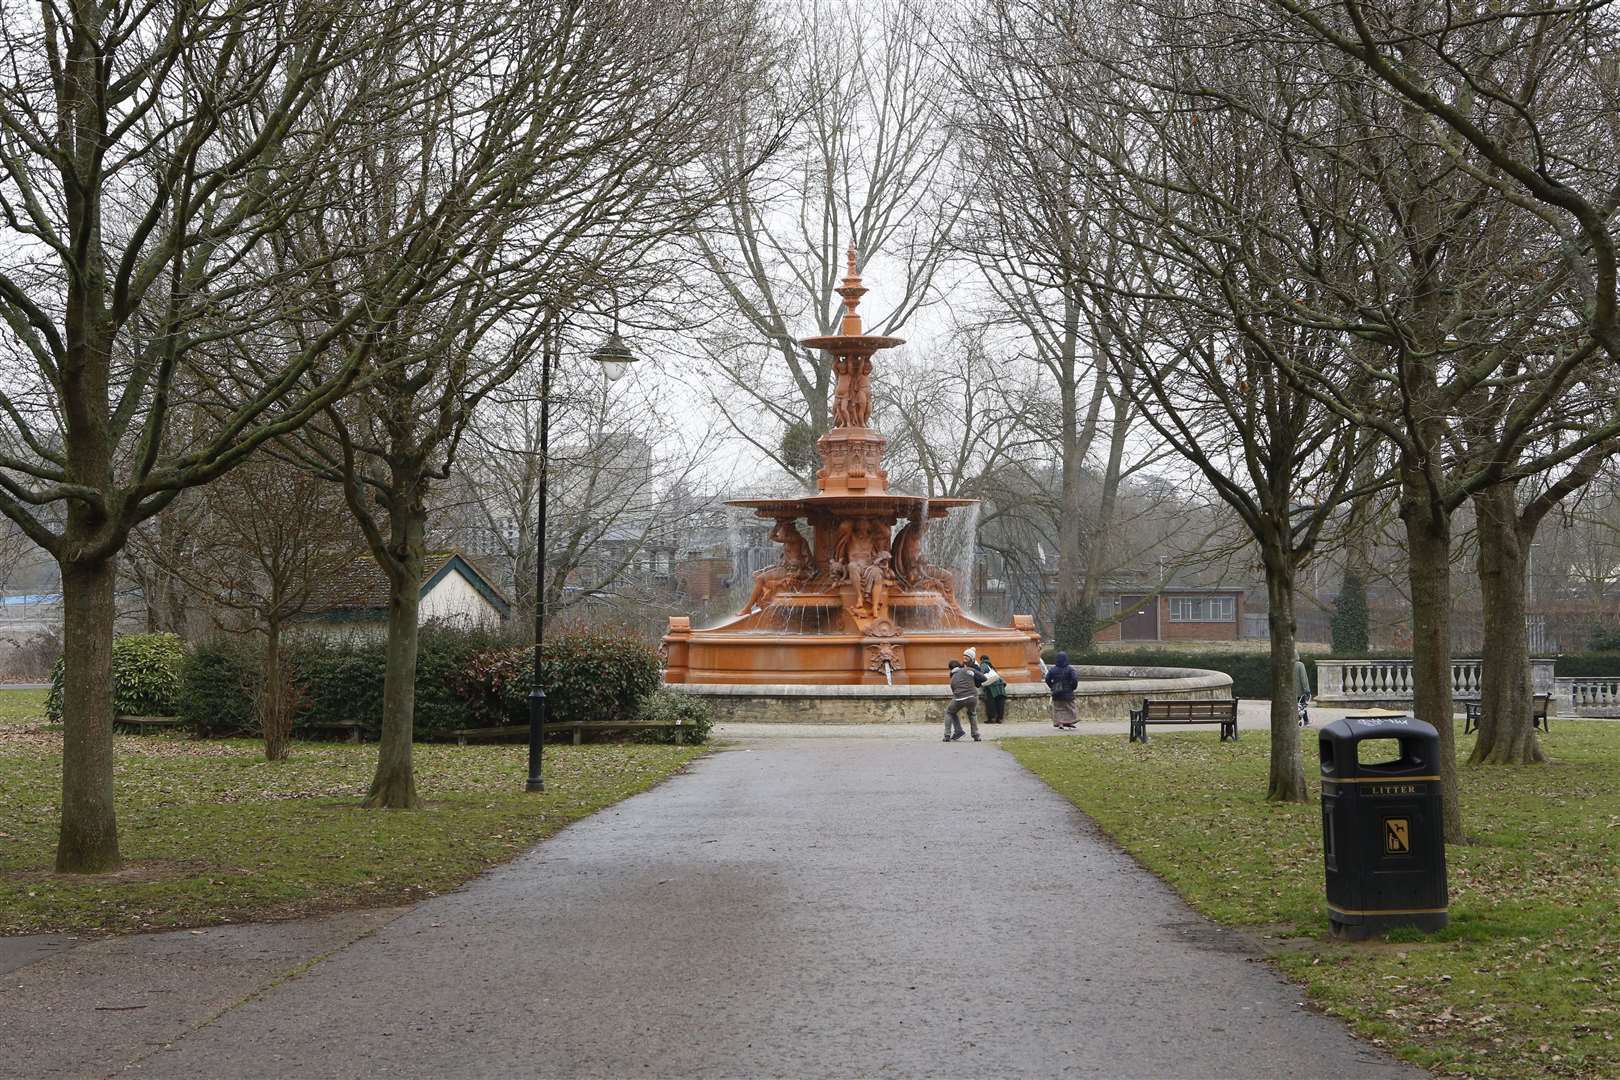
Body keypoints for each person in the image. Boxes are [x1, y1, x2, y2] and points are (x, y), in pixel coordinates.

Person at [944, 659, 983, 742]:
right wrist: (974, 676)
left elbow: (954, 691)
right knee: (972, 714)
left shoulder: (952, 678)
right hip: (973, 696)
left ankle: (947, 735)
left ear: (950, 669)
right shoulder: (968, 669)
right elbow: (984, 678)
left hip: (959, 698)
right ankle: (976, 735)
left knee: (949, 712)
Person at [1044, 650, 1080, 729]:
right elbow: (1074, 679)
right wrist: (1073, 687)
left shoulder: (1053, 670)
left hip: (1057, 692)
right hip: (1068, 692)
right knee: (1070, 707)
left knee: (1058, 708)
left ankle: (1059, 722)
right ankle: (1069, 721)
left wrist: (1052, 686)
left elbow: (1047, 678)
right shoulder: (1070, 669)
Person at [979, 653, 1007, 723]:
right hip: (1001, 685)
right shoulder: (992, 666)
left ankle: (992, 718)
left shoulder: (983, 665)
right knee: (1000, 702)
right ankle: (1000, 719)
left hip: (992, 686)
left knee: (991, 702)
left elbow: (981, 675)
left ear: (982, 659)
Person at [1295, 650, 1312, 728]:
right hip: (1300, 691)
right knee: (1302, 707)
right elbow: (1304, 678)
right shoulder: (1300, 665)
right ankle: (1305, 721)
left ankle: (1295, 721)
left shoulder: (1286, 665)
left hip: (1290, 692)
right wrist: (1307, 690)